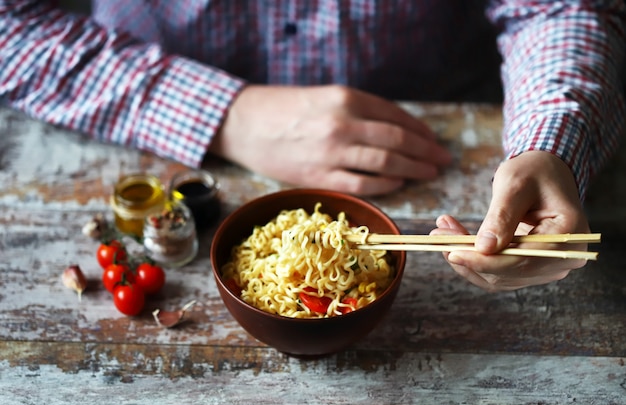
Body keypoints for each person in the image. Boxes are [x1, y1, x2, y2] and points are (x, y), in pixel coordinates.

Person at [1, 1, 624, 291]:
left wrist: (548, 143)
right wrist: (226, 113)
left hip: (436, 131)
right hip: (145, 113)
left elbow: (560, 7)